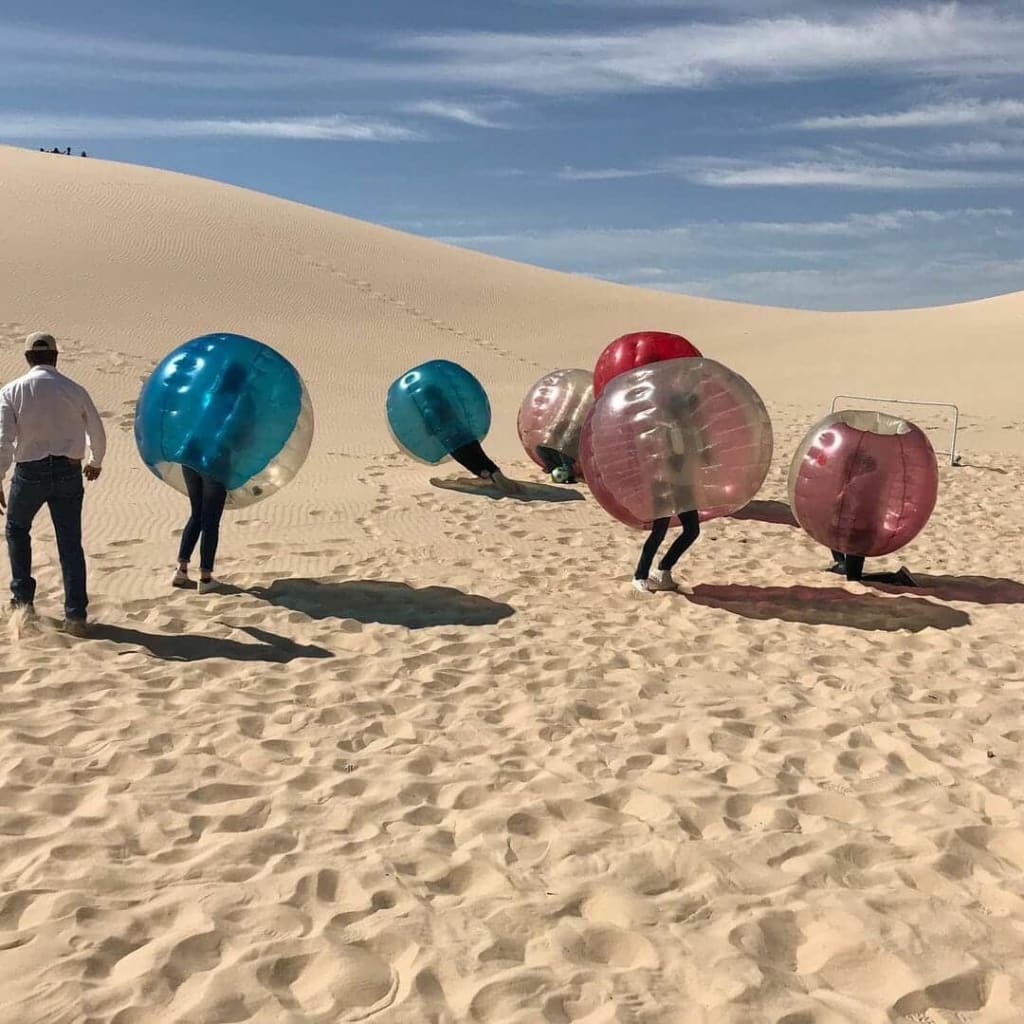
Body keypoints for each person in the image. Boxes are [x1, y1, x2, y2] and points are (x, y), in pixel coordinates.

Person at [0, 332, 106, 635]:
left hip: (29, 471)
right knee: (70, 543)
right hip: (68, 472)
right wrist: (95, 461)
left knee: (17, 530)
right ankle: (75, 615)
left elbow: (3, 441)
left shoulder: (12, 390)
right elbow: (96, 431)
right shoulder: (74, 389)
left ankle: (23, 603)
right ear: (56, 357)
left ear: (27, 358)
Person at [171, 363, 248, 593]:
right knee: (210, 521)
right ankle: (205, 578)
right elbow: (240, 438)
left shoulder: (206, 396)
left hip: (190, 456)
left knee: (197, 513)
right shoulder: (240, 404)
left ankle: (181, 570)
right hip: (214, 462)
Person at [633, 390, 705, 595]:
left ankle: (663, 570)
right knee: (659, 531)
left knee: (691, 530)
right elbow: (670, 459)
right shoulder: (667, 431)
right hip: (664, 485)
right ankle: (640, 575)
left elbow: (703, 458)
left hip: (683, 486)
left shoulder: (692, 431)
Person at [419, 385, 521, 495]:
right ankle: (495, 472)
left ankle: (485, 475)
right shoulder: (446, 403)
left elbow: (430, 430)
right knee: (480, 456)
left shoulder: (428, 410)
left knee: (468, 461)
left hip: (452, 441)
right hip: (466, 434)